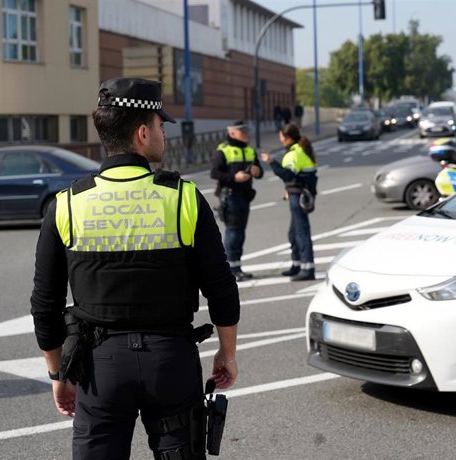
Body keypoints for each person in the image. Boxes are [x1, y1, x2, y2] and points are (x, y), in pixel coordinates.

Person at [30, 77, 240, 460]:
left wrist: (57, 373)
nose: (164, 133)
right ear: (142, 133)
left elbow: (45, 303)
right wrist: (227, 353)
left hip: (99, 368)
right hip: (171, 362)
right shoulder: (184, 198)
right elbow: (221, 287)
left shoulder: (66, 205)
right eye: (161, 125)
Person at [260, 124, 317, 281]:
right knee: (294, 233)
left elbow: (288, 175)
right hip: (299, 194)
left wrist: (271, 161)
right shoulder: (301, 150)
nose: (279, 139)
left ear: (288, 138)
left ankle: (308, 268)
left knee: (301, 232)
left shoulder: (293, 154)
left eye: (281, 137)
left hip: (298, 196)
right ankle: (297, 265)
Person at [210, 120, 263, 282]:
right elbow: (214, 173)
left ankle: (237, 267)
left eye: (247, 131)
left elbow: (259, 172)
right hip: (230, 196)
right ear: (232, 133)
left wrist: (257, 170)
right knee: (233, 232)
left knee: (240, 232)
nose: (247, 134)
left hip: (245, 196)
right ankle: (231, 270)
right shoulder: (223, 151)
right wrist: (234, 177)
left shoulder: (250, 151)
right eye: (243, 132)